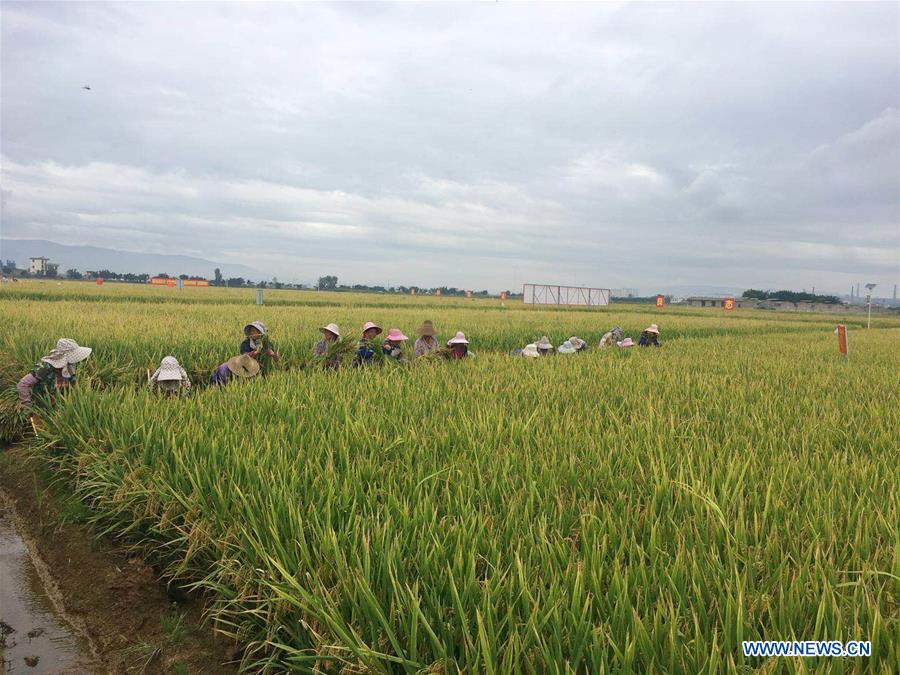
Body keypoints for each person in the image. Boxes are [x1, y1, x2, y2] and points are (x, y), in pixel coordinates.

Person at [17, 338, 93, 409]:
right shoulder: (45, 368)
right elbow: (23, 384)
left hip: (58, 407)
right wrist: (28, 406)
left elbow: (73, 386)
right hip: (39, 408)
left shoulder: (70, 366)